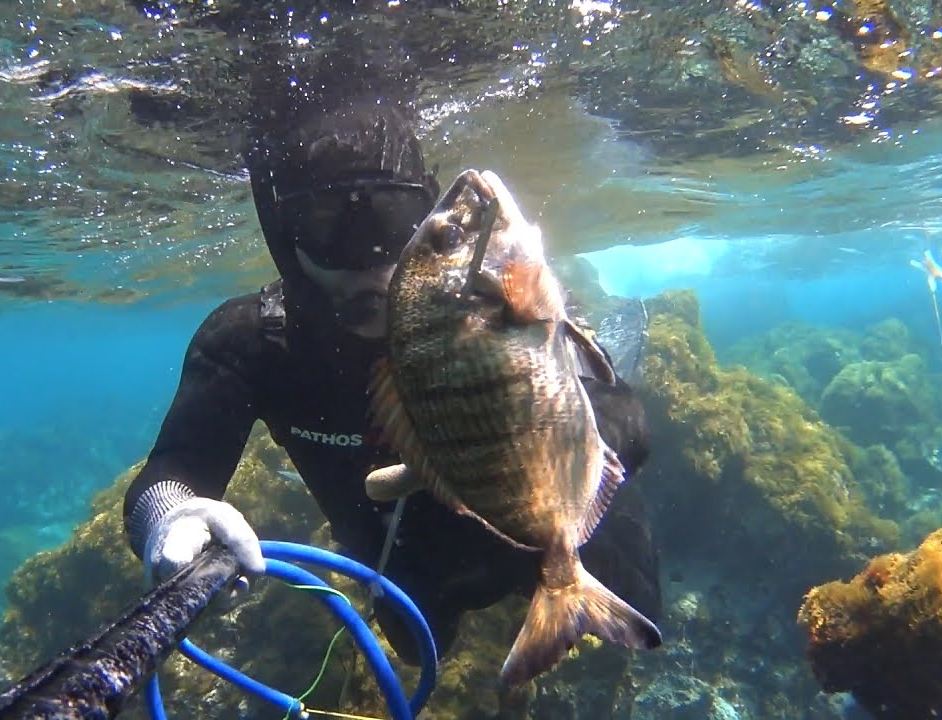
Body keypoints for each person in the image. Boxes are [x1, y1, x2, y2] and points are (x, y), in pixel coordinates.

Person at [122, 97, 661, 674]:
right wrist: (170, 519)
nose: (368, 258)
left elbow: (632, 426)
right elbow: (173, 470)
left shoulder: (483, 313)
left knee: (639, 606)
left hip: (566, 522)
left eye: (393, 214)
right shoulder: (250, 342)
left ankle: (615, 343)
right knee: (415, 644)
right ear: (283, 233)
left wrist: (570, 426)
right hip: (409, 564)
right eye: (325, 224)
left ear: (425, 212)